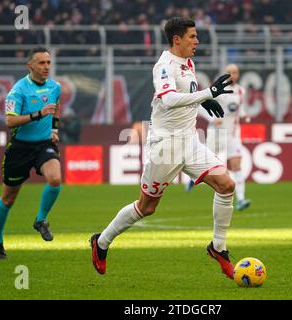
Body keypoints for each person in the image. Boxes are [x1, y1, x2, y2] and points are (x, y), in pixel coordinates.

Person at [90, 17, 237, 279]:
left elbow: (184, 94)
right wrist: (208, 93)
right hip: (165, 146)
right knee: (146, 207)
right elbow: (168, 100)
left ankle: (219, 247)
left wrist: (203, 101)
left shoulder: (187, 62)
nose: (197, 41)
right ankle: (101, 242)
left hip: (190, 141)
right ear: (176, 39)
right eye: (192, 36)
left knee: (226, 185)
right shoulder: (164, 66)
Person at [0, 47, 62, 259]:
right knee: (8, 198)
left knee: (55, 178)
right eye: (41, 63)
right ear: (30, 65)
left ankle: (41, 220)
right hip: (20, 148)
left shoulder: (55, 87)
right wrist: (38, 114)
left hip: (43, 145)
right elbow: (9, 121)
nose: (46, 67)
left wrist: (54, 128)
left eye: (48, 63)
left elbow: (56, 106)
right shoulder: (18, 91)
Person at [189, 64, 252, 211]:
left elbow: (239, 109)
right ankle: (192, 178)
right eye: (229, 72)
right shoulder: (217, 90)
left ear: (238, 74)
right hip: (216, 132)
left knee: (236, 164)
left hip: (233, 134)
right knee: (206, 162)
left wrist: (244, 116)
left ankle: (241, 199)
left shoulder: (241, 91)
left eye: (234, 72)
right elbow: (199, 106)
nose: (232, 75)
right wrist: (212, 119)